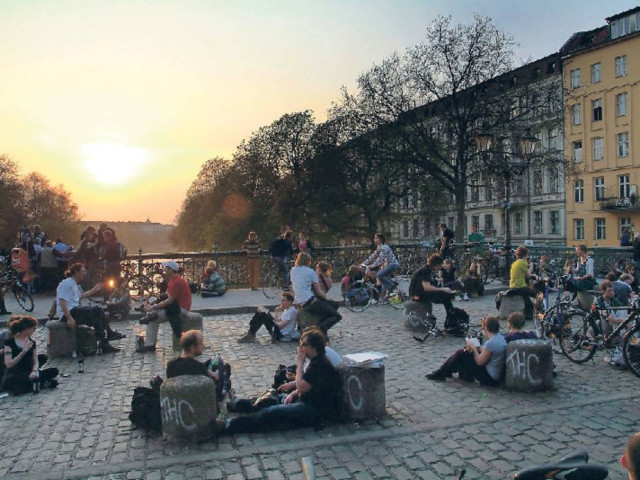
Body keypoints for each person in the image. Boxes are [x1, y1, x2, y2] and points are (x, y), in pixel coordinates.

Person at [215, 329, 342, 434]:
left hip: (314, 409)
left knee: (271, 412)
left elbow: (301, 385)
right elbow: (306, 386)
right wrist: (292, 394)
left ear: (313, 347)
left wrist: (300, 363)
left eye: (303, 345)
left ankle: (229, 425)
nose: (300, 348)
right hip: (305, 399)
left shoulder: (320, 364)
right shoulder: (315, 360)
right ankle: (237, 404)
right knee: (271, 397)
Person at [56, 263, 125, 353]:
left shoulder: (73, 284)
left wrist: (94, 290)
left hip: (74, 311)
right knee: (97, 309)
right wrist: (69, 318)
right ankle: (110, 332)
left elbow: (80, 296)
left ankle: (105, 345)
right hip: (69, 313)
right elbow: (62, 301)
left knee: (97, 320)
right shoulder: (67, 283)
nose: (85, 274)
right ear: (76, 272)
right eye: (83, 272)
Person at [425, 315, 506, 385]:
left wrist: (474, 348)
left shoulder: (490, 343)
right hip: (495, 375)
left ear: (486, 328)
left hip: (489, 379)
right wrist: (477, 347)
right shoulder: (500, 338)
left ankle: (441, 372)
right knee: (466, 352)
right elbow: (487, 353)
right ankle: (448, 371)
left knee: (462, 353)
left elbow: (479, 361)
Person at [139, 261, 192, 352]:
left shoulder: (176, 282)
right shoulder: (174, 280)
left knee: (153, 319)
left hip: (180, 309)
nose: (164, 269)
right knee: (152, 305)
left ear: (171, 270)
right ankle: (150, 315)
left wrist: (153, 307)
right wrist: (152, 303)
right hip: (174, 307)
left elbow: (169, 300)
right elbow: (165, 295)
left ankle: (149, 345)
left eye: (166, 267)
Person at [1, 316, 59, 395]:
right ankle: (41, 383)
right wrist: (23, 352)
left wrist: (34, 371)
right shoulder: (9, 343)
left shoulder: (31, 342)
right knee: (18, 385)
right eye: (33, 328)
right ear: (27, 328)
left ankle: (37, 382)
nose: (34, 331)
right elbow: (9, 364)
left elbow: (35, 361)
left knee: (53, 371)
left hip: (28, 370)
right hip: (15, 372)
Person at [291, 253, 341, 334]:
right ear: (308, 261)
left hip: (299, 301)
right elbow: (319, 291)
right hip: (310, 301)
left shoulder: (293, 270)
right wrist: (326, 299)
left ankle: (319, 326)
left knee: (331, 306)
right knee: (337, 315)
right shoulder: (311, 272)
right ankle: (320, 329)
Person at [361, 233, 399, 301]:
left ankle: (392, 287)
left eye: (376, 238)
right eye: (374, 238)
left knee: (379, 275)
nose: (374, 240)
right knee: (381, 277)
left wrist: (371, 266)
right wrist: (364, 263)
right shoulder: (379, 248)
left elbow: (380, 259)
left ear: (380, 239)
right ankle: (386, 294)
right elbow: (372, 257)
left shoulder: (385, 248)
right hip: (387, 265)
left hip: (392, 264)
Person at [507, 246, 536, 321]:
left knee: (526, 297)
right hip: (520, 286)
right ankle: (530, 314)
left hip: (512, 286)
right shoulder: (523, 262)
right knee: (535, 293)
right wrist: (531, 266)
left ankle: (528, 313)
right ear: (526, 255)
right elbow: (529, 275)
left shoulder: (515, 263)